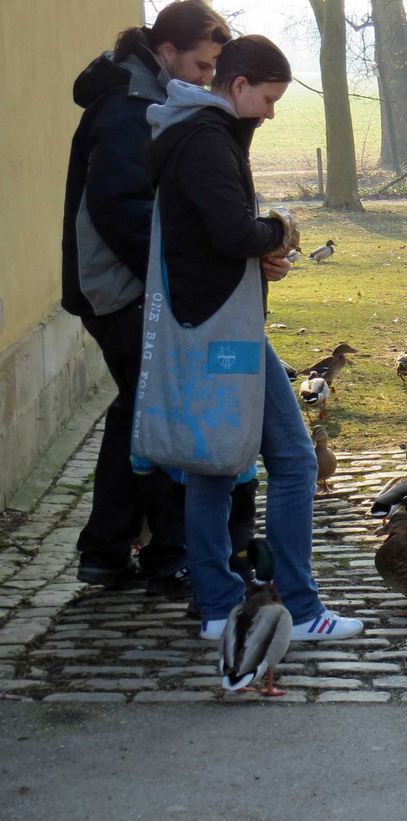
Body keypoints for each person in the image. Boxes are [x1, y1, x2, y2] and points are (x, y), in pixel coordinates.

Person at [146, 35, 363, 642]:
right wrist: (280, 230)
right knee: (292, 461)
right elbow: (231, 231)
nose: (270, 112)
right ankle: (298, 607)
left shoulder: (195, 132)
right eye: (268, 99)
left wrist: (258, 252)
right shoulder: (208, 138)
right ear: (237, 87)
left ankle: (219, 609)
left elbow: (214, 236)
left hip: (212, 319)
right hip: (225, 328)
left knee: (215, 466)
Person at [61, 0, 262, 597]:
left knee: (137, 412)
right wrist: (174, 282)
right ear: (167, 51)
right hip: (122, 288)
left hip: (129, 285)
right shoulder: (132, 105)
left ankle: (108, 549)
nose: (208, 78)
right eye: (202, 66)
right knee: (165, 415)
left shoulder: (146, 95)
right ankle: (172, 556)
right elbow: (121, 209)